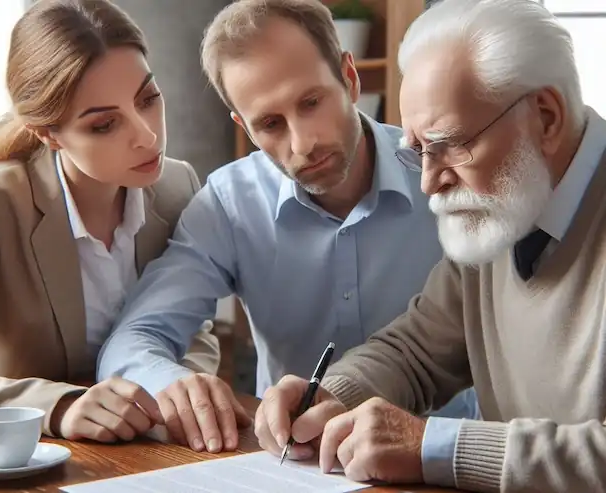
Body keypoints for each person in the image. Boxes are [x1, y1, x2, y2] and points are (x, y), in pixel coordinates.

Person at [97, 0, 480, 455]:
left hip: (437, 457)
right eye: (271, 124)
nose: (303, 143)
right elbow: (131, 341)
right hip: (295, 465)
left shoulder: (448, 177)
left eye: (311, 102)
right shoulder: (228, 203)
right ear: (245, 127)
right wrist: (175, 384)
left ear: (349, 78)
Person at [254, 0, 606, 492]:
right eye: (419, 151)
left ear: (545, 117)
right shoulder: (506, 207)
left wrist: (437, 448)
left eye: (450, 144)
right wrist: (328, 395)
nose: (429, 183)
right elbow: (418, 350)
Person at [0, 0, 220, 444]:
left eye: (148, 99)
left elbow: (192, 329)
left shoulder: (176, 187)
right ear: (48, 133)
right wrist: (58, 406)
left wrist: (178, 388)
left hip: (151, 454)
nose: (147, 135)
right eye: (105, 124)